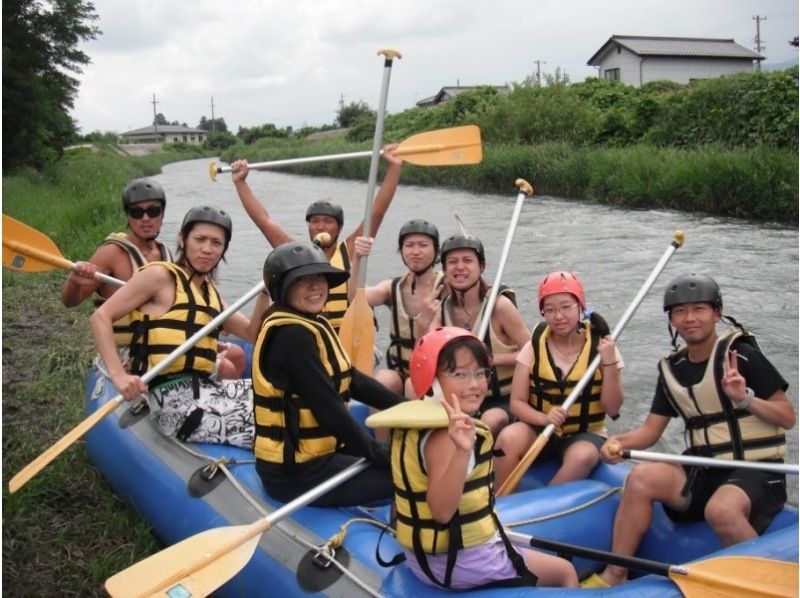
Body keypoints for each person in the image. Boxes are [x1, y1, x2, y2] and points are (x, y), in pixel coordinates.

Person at [584, 274, 795, 589]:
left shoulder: (742, 355)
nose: (690, 318)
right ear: (671, 320)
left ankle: (767, 587)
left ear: (716, 313)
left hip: (756, 469)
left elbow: (787, 416)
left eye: (699, 309)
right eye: (680, 312)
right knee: (641, 479)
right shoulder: (672, 369)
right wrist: (616, 442)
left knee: (721, 510)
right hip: (705, 469)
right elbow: (650, 432)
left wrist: (746, 399)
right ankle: (616, 572)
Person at [387, 326, 578, 590]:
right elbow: (442, 512)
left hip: (425, 558)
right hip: (459, 563)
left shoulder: (420, 425)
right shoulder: (446, 437)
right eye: (459, 374)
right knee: (565, 572)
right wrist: (463, 451)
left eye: (480, 373)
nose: (475, 384)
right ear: (430, 378)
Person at [89, 206, 266, 447]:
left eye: (216, 242)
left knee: (284, 395)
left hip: (207, 388)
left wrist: (265, 292)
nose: (207, 249)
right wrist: (118, 375)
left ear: (224, 249)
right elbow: (101, 317)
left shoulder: (210, 294)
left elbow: (251, 333)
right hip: (172, 401)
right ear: (182, 239)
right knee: (273, 420)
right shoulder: (161, 276)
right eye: (200, 239)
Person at [252, 241, 404, 506]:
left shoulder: (313, 323)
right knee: (411, 476)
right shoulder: (291, 336)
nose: (315, 287)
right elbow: (327, 407)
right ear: (282, 288)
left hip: (321, 457)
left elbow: (352, 380)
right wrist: (379, 453)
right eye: (303, 280)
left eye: (319, 278)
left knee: (404, 466)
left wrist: (408, 408)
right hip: (296, 473)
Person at [62, 178, 245, 379]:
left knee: (237, 354)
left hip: (161, 340)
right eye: (137, 212)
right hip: (128, 348)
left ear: (162, 214)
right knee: (226, 367)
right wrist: (74, 281)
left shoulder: (164, 252)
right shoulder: (111, 253)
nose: (146, 218)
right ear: (128, 216)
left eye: (153, 211)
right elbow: (70, 302)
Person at [229, 145, 403, 332]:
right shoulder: (295, 254)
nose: (320, 226)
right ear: (308, 226)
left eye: (328, 221)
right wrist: (240, 183)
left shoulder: (351, 249)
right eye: (314, 221)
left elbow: (377, 212)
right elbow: (265, 221)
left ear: (340, 227)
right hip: (313, 337)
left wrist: (394, 168)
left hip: (349, 337)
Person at [493, 271, 624, 488]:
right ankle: (500, 503)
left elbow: (612, 408)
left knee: (581, 457)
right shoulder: (533, 346)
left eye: (566, 307)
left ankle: (542, 508)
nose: (559, 316)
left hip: (583, 433)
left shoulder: (603, 347)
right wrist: (543, 418)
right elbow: (516, 403)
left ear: (580, 307)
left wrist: (609, 364)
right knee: (507, 438)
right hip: (539, 427)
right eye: (550, 310)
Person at [427, 233, 530, 438]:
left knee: (490, 420)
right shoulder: (442, 308)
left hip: (503, 399)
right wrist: (428, 320)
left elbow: (535, 353)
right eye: (452, 262)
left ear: (481, 267)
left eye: (468, 261)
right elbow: (428, 356)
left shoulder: (500, 306)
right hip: (462, 398)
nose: (460, 267)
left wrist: (492, 359)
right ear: (445, 270)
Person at [351, 219, 446, 396]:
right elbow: (355, 298)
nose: (416, 251)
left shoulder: (446, 288)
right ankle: (381, 424)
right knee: (381, 382)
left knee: (413, 385)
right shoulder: (392, 288)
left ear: (436, 251)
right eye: (409, 245)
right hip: (400, 371)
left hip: (437, 374)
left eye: (423, 245)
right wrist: (357, 258)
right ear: (401, 251)